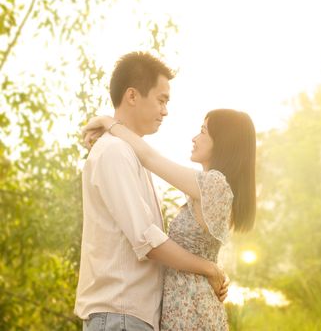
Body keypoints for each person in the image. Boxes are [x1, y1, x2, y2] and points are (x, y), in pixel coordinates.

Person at [75, 52, 228, 331]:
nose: (165, 110)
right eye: (162, 99)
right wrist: (209, 268)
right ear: (132, 96)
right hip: (120, 316)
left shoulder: (130, 153)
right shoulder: (116, 153)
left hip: (129, 317)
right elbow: (149, 241)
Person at [82, 108, 256, 331]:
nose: (195, 138)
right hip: (185, 303)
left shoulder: (214, 185)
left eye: (203, 131)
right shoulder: (209, 188)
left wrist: (107, 122)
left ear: (223, 142)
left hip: (192, 307)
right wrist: (212, 268)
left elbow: (149, 157)